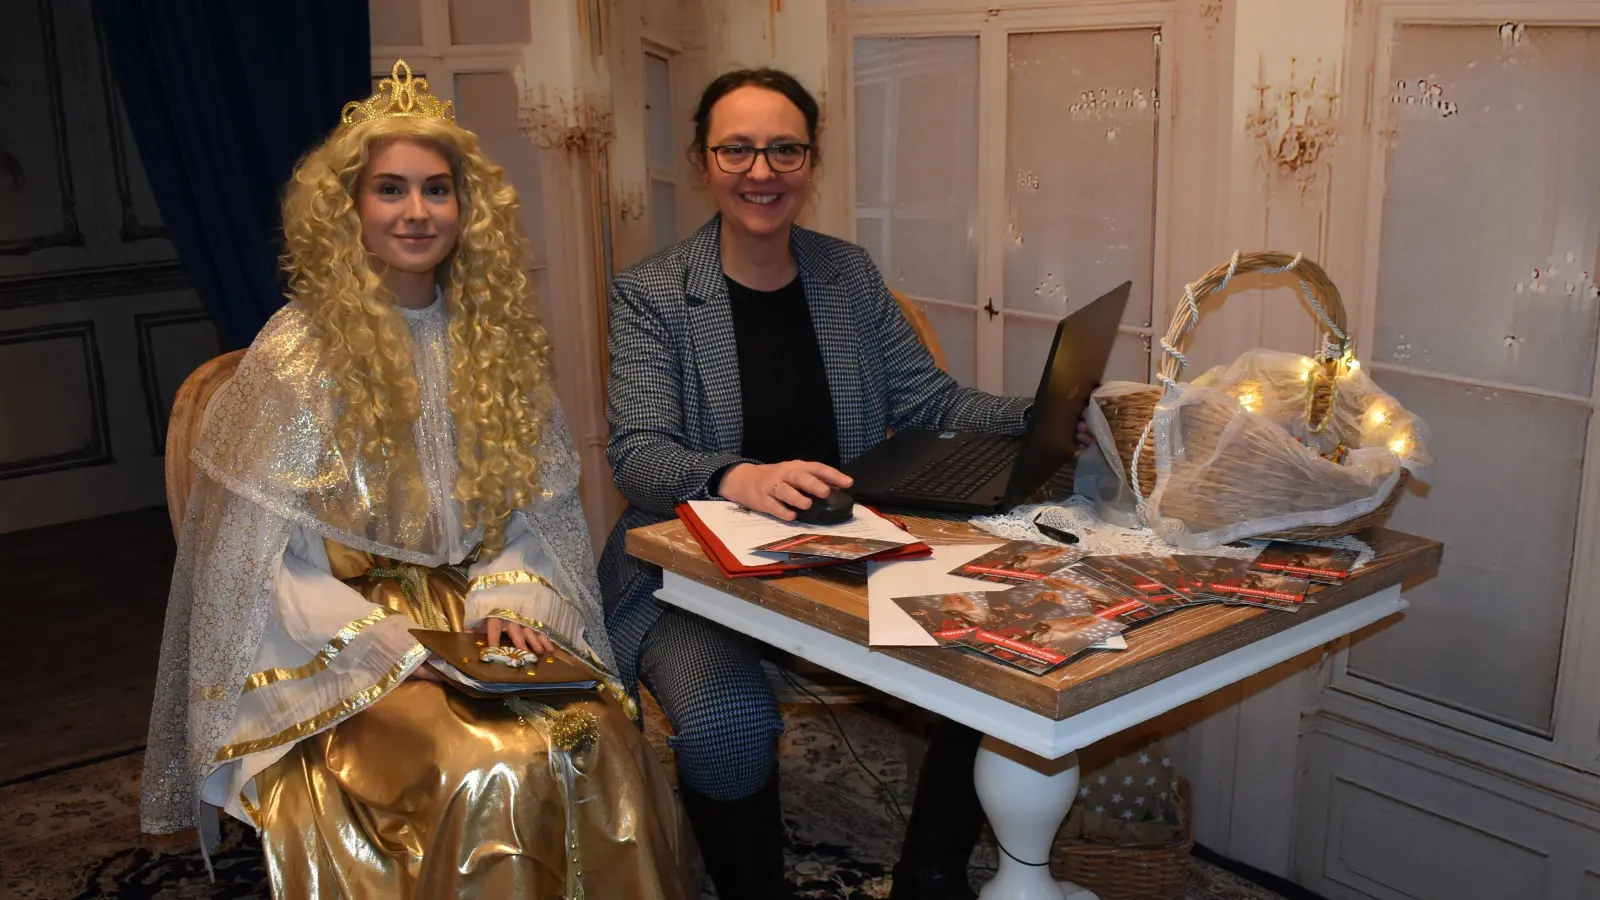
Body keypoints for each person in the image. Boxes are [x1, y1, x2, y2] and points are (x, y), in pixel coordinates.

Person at [139, 60, 696, 899]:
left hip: (477, 614)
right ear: (350, 211)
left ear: (468, 211)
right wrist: (391, 652)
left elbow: (536, 517)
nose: (416, 212)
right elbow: (259, 564)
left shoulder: (497, 342)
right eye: (390, 190)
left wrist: (510, 604)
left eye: (437, 190)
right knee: (488, 766)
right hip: (340, 639)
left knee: (594, 734)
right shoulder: (299, 353)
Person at [597, 67, 1090, 900]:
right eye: (738, 150)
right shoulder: (653, 295)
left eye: (784, 149)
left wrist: (1046, 412)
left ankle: (926, 880)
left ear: (810, 160)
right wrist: (736, 475)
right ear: (702, 160)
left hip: (849, 552)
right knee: (726, 723)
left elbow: (929, 398)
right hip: (695, 574)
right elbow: (638, 454)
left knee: (1002, 658)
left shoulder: (846, 274)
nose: (763, 172)